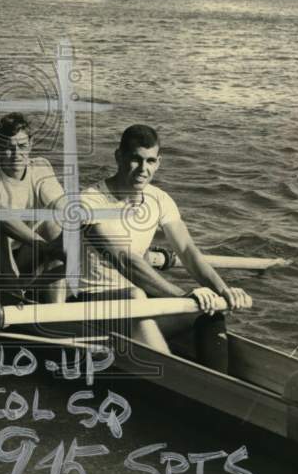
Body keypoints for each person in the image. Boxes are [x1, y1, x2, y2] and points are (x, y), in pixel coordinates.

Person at [75, 124, 252, 369]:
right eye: (136, 159)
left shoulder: (160, 199)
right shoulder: (88, 201)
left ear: (158, 162)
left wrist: (223, 291)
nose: (143, 169)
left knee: (210, 311)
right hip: (90, 306)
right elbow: (125, 261)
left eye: (150, 161)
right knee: (137, 297)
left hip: (137, 304)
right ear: (119, 156)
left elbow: (189, 253)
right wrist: (182, 296)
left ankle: (218, 384)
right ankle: (179, 381)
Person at [0, 113, 66, 289]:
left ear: (31, 144)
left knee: (55, 226)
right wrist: (44, 246)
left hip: (23, 251)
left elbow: (61, 206)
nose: (16, 154)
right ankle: (14, 295)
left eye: (22, 146)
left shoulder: (40, 167)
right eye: (8, 147)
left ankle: (57, 310)